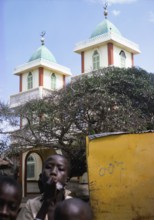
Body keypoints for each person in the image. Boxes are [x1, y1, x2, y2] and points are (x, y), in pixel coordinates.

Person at [17, 154, 71, 220]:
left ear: (67, 180)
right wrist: (46, 203)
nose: (53, 172)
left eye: (60, 169)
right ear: (41, 177)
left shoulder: (75, 205)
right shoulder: (31, 205)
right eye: (48, 167)